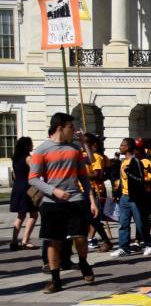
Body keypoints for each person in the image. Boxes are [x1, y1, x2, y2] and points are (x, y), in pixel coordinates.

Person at [27, 113, 98, 293]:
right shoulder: (41, 150)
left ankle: (83, 262)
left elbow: (84, 177)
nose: (73, 130)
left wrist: (91, 200)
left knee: (80, 236)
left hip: (75, 199)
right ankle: (55, 279)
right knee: (53, 241)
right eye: (71, 127)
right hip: (52, 202)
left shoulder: (74, 148)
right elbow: (33, 179)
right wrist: (54, 191)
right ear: (60, 127)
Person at [111, 138, 151, 258]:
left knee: (140, 223)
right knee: (123, 223)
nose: (120, 147)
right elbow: (122, 180)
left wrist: (130, 174)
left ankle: (149, 245)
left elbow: (140, 180)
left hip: (136, 198)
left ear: (128, 147)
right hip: (124, 197)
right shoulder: (123, 162)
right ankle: (124, 247)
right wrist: (117, 195)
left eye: (122, 145)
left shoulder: (136, 161)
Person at [9, 137, 38, 251]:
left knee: (21, 215)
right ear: (27, 146)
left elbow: (15, 175)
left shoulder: (15, 158)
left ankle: (14, 241)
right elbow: (35, 171)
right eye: (31, 144)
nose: (33, 145)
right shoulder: (28, 158)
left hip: (17, 187)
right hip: (28, 187)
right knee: (34, 214)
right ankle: (25, 240)